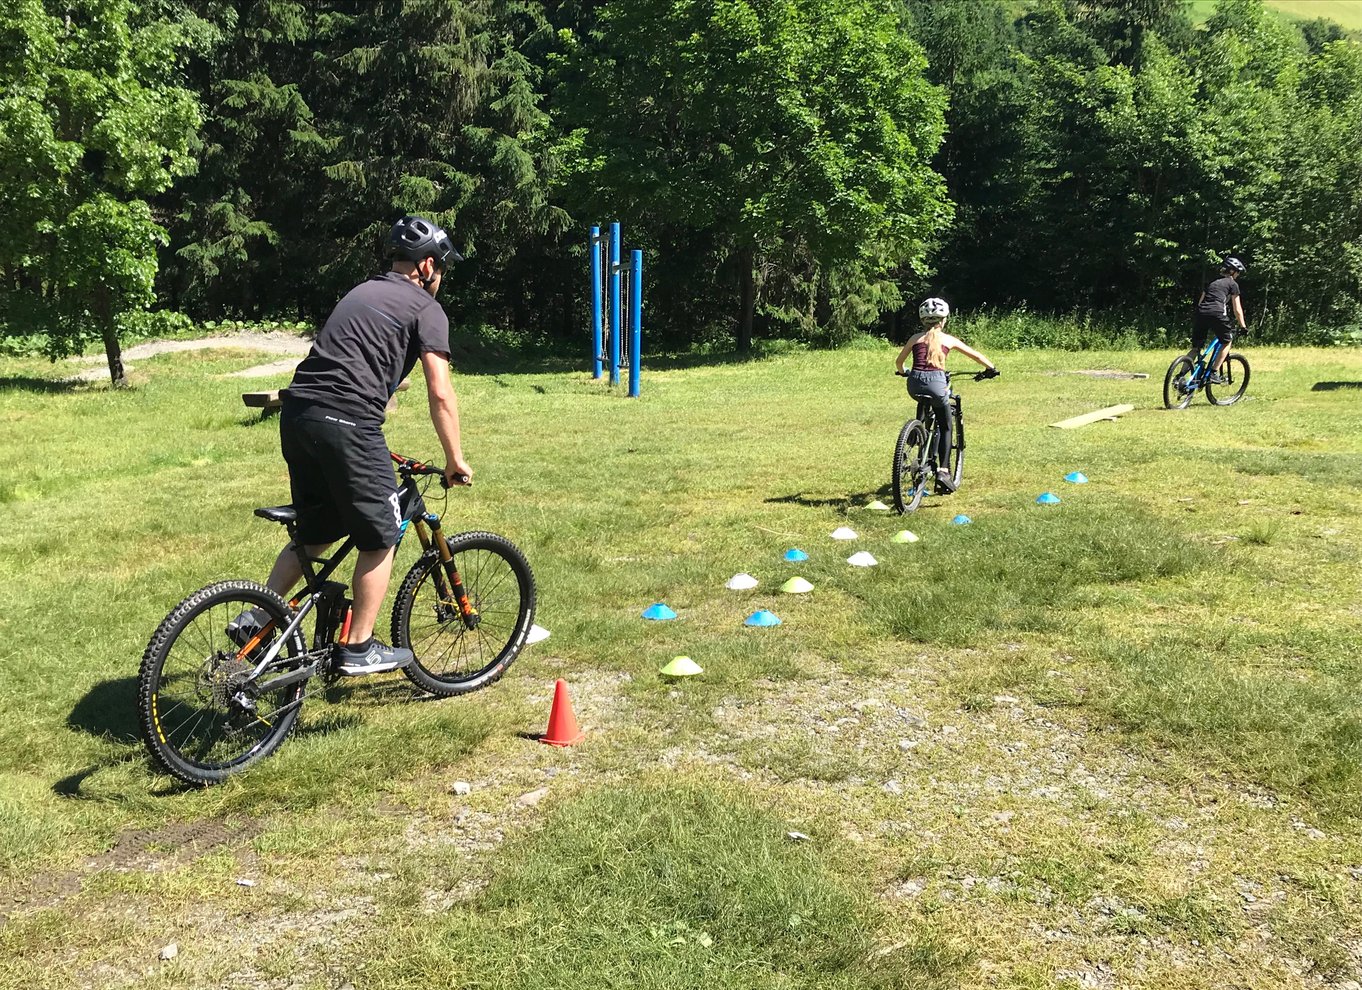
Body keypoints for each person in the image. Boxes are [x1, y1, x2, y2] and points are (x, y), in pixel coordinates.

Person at [230, 216, 472, 675]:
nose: (441, 279)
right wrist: (454, 459)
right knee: (382, 533)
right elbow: (440, 390)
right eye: (441, 269)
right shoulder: (425, 307)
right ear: (425, 266)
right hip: (347, 422)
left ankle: (258, 619)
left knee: (318, 530)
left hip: (298, 415)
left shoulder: (362, 291)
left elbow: (352, 359)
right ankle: (358, 647)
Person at [894, 297, 997, 494]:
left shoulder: (915, 339)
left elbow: (899, 362)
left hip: (914, 384)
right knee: (946, 425)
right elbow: (975, 355)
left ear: (923, 320)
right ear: (943, 320)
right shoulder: (948, 340)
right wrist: (991, 368)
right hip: (936, 384)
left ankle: (917, 432)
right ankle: (943, 471)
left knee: (923, 399)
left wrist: (903, 371)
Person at [1191, 256, 1247, 384]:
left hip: (1201, 313)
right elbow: (1237, 309)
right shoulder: (1232, 284)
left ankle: (1180, 376)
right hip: (1217, 313)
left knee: (1196, 348)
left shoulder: (1212, 282)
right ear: (1233, 271)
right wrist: (1243, 326)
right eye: (1238, 272)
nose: (1238, 275)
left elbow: (1201, 302)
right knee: (1227, 341)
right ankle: (1213, 373)